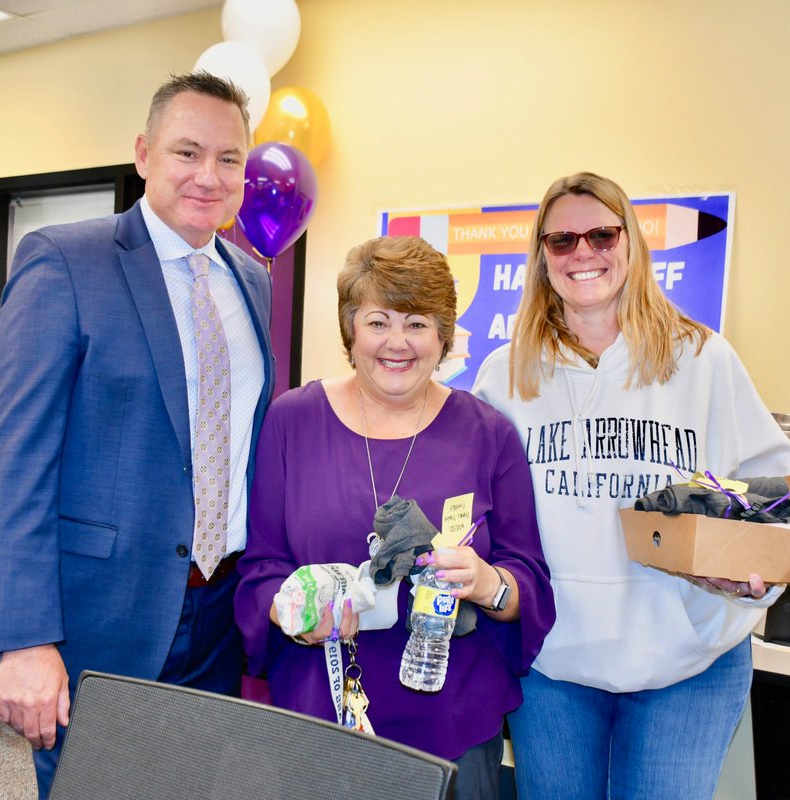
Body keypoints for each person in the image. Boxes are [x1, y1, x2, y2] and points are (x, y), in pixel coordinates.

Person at [0, 73, 273, 798]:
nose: (209, 176)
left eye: (230, 158)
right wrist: (24, 638)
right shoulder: (64, 260)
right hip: (102, 618)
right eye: (187, 152)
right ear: (144, 154)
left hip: (217, 611)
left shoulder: (253, 281)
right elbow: (18, 465)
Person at [472, 172, 790, 799]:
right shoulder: (504, 374)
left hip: (688, 657)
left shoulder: (702, 359)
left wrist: (757, 569)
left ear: (632, 241)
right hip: (554, 661)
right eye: (562, 239)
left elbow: (771, 496)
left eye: (601, 233)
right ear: (542, 256)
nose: (583, 253)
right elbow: (481, 515)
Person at [235, 236, 555, 800]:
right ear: (349, 330)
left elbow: (528, 582)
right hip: (320, 716)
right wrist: (295, 614)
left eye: (418, 323)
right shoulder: (292, 422)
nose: (397, 343)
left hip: (452, 722)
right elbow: (261, 568)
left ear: (443, 336)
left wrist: (487, 584)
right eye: (378, 322)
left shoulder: (488, 434)